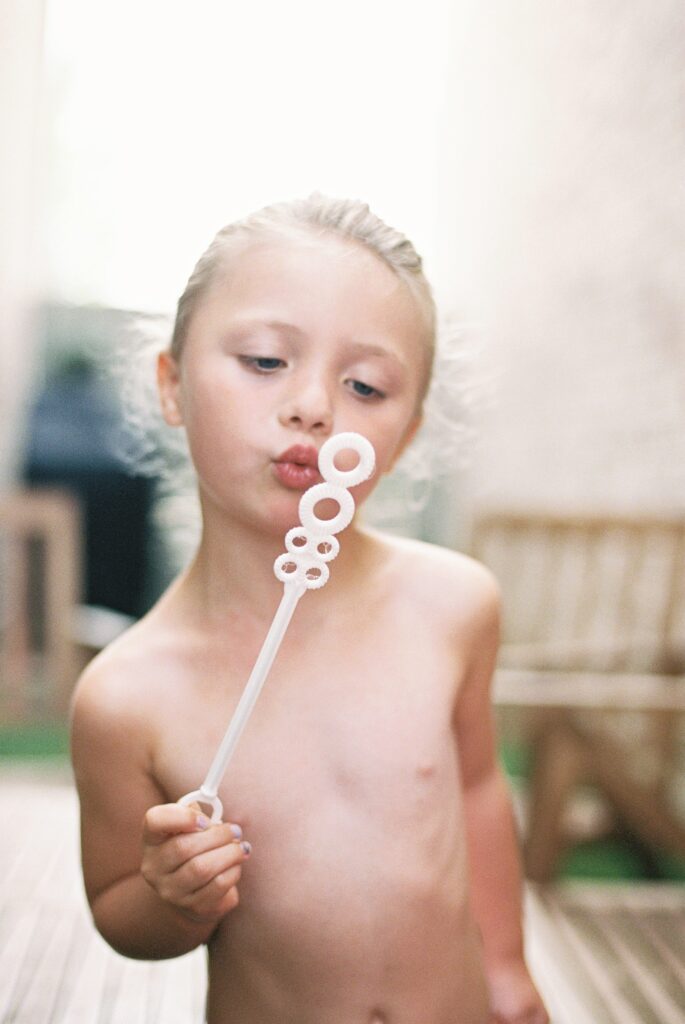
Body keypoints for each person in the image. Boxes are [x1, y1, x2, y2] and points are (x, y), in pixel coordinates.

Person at [71, 195, 549, 1024]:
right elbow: (119, 910)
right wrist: (173, 899)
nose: (315, 407)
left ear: (403, 434)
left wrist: (506, 969)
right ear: (172, 385)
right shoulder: (124, 697)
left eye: (365, 385)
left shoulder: (453, 606)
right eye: (264, 361)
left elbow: (475, 791)